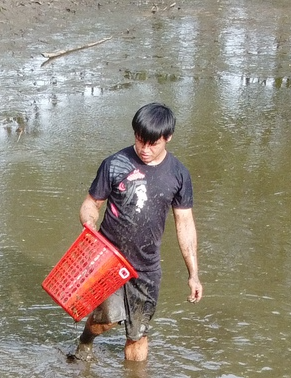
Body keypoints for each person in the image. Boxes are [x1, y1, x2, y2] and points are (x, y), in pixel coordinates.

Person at [70, 103, 202, 364]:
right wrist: (88, 221)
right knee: (106, 320)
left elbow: (185, 223)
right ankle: (86, 339)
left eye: (153, 144)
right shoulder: (115, 164)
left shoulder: (179, 175)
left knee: (137, 333)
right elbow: (91, 203)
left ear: (168, 137)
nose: (144, 149)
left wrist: (193, 275)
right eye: (140, 141)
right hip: (109, 258)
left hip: (146, 267)